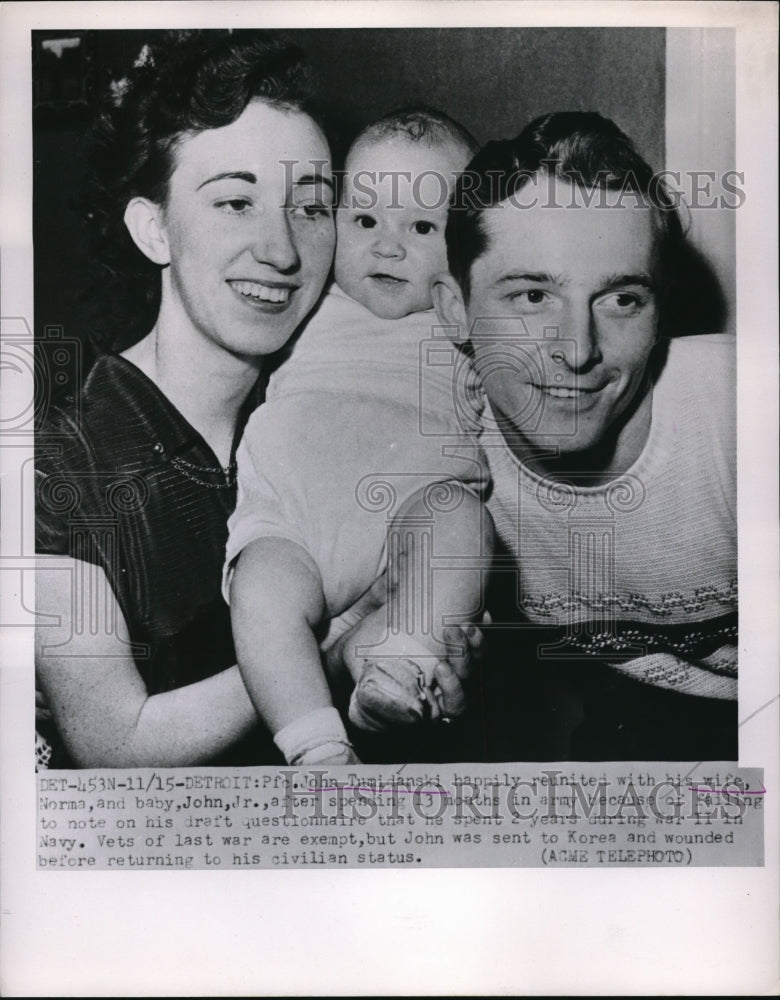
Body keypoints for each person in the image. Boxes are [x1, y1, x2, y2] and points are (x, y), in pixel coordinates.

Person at [34, 30, 341, 768]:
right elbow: (114, 743)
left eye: (311, 207)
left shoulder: (324, 415)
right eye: (236, 202)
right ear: (154, 229)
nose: (282, 249)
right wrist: (343, 643)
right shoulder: (54, 466)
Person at [433, 111, 737, 760]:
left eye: (622, 299)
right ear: (455, 310)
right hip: (642, 725)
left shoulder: (740, 418)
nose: (577, 351)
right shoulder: (441, 455)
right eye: (532, 297)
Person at [226, 109, 494, 767]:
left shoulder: (465, 326)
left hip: (411, 524)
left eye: (423, 227)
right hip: (293, 523)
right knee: (261, 592)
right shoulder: (306, 300)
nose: (387, 247)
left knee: (460, 524)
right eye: (365, 220)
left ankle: (398, 666)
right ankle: (315, 746)